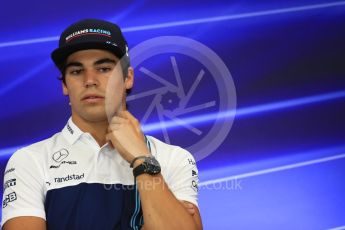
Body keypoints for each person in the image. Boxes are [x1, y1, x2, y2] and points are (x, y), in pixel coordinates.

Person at [1, 19, 202, 230]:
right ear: (65, 85)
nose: (90, 80)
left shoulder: (174, 158)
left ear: (128, 78)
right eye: (77, 71)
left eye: (104, 68)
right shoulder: (30, 160)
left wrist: (142, 160)